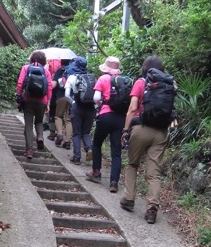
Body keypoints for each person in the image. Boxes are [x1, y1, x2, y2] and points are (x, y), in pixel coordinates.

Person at [119, 55, 175, 223]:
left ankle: (129, 198)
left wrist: (125, 129)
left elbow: (132, 108)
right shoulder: (169, 84)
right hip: (161, 132)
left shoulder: (141, 82)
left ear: (145, 67)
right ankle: (152, 208)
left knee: (132, 164)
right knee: (154, 172)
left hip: (141, 128)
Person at [85, 56, 125, 192]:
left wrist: (101, 103)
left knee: (96, 143)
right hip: (120, 118)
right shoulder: (124, 81)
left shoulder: (103, 79)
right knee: (116, 152)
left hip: (105, 115)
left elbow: (96, 97)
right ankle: (114, 182)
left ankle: (96, 172)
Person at [15, 51, 52, 160]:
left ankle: (29, 151)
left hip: (28, 99)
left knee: (28, 125)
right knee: (39, 121)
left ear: (32, 59)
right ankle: (40, 137)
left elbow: (20, 83)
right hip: (42, 101)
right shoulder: (46, 71)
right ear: (43, 61)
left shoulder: (26, 68)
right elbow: (49, 87)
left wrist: (18, 96)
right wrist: (48, 103)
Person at [65, 56, 94, 165]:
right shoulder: (91, 77)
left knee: (77, 133)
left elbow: (67, 94)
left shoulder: (72, 77)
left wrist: (72, 103)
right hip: (90, 108)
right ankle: (89, 149)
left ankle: (77, 157)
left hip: (77, 107)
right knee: (85, 132)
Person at [52, 59, 72, 149]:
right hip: (72, 98)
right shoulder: (75, 71)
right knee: (68, 120)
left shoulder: (60, 70)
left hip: (61, 96)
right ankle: (68, 141)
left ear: (61, 62)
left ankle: (59, 134)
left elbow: (54, 84)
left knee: (58, 116)